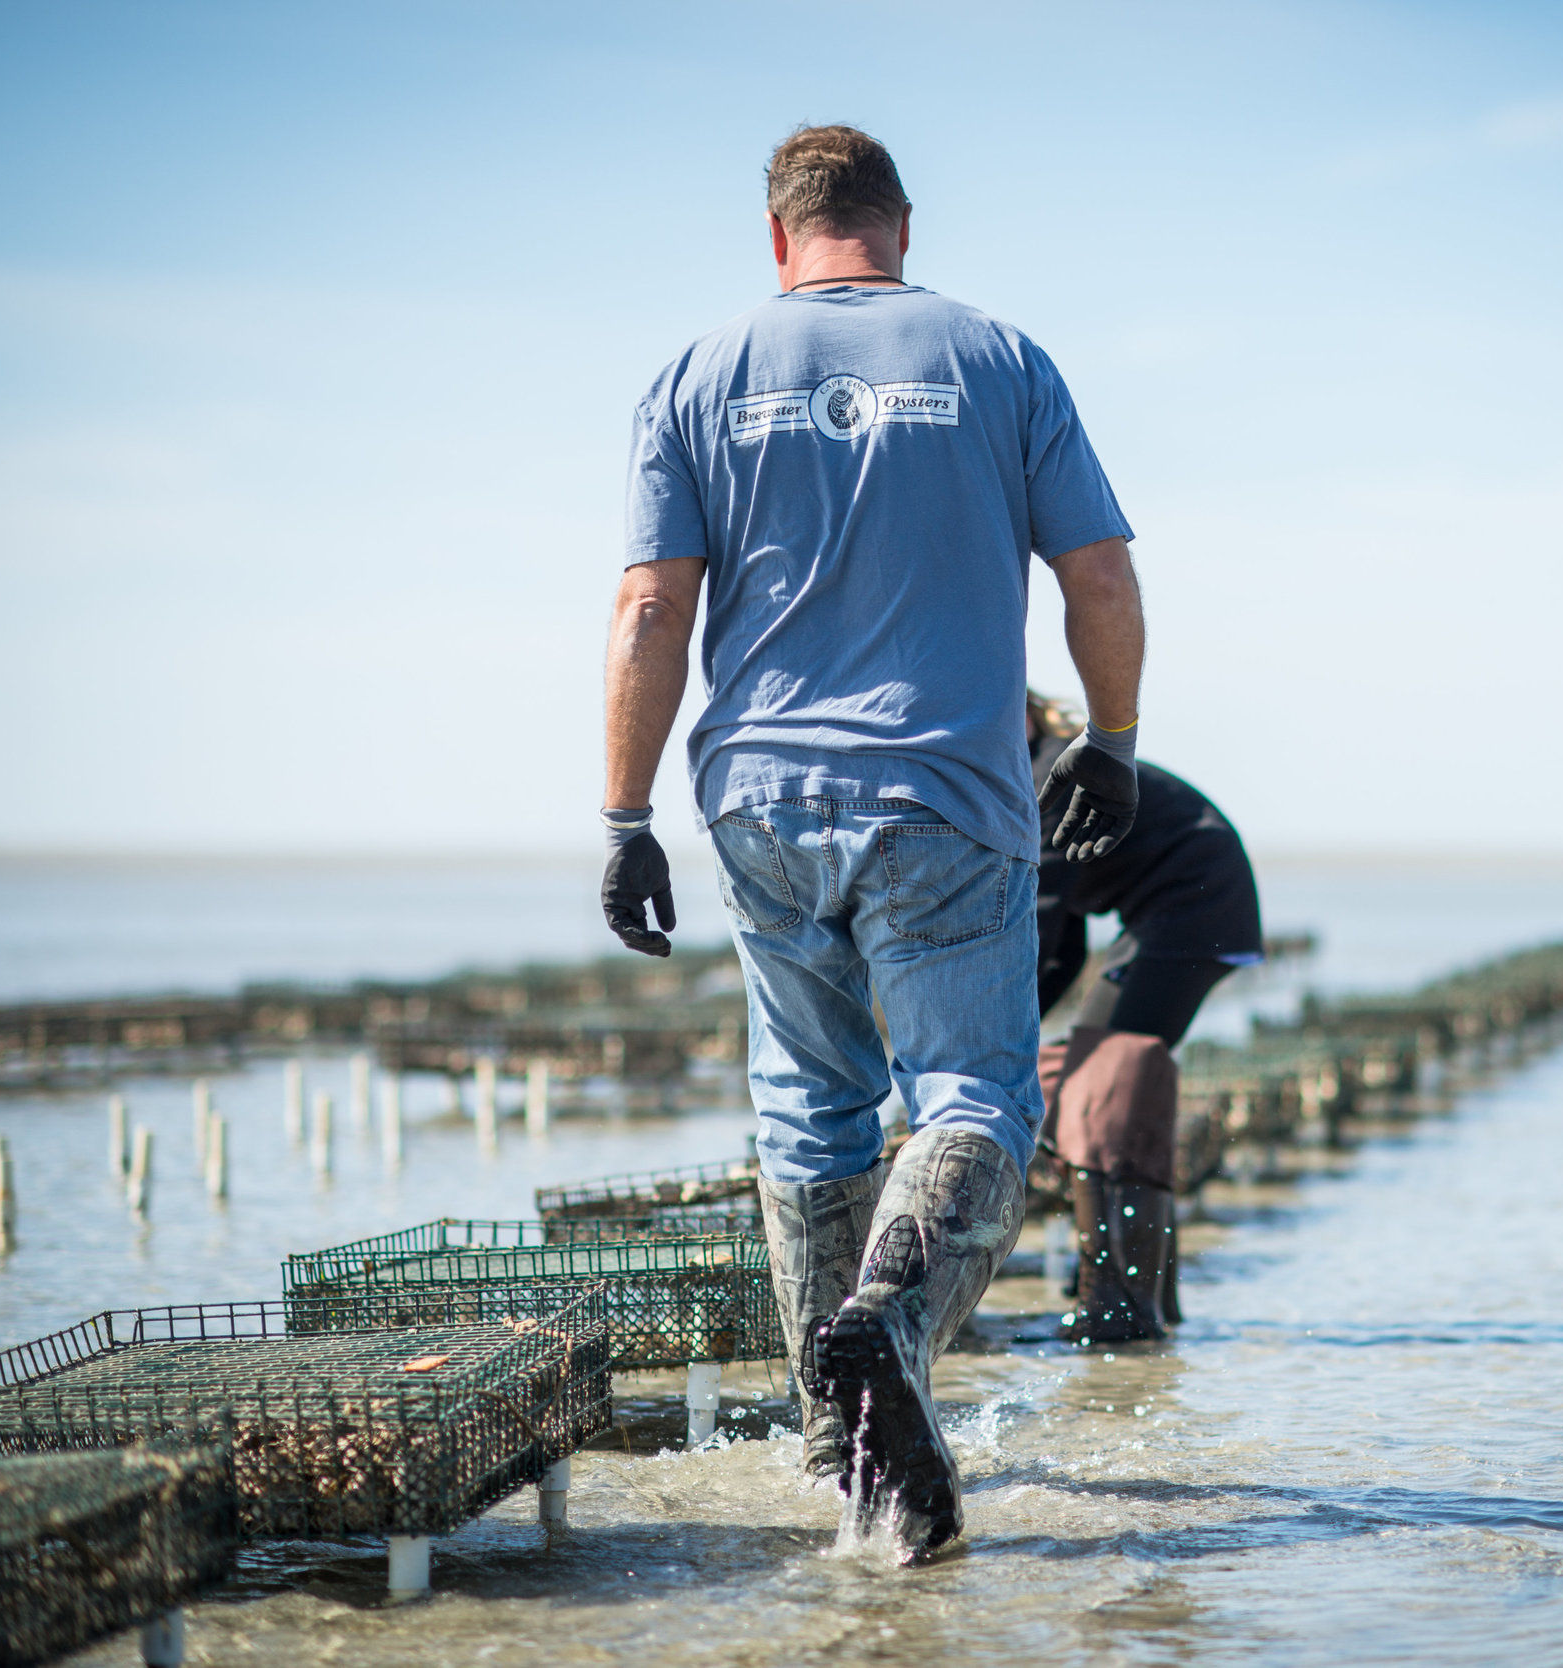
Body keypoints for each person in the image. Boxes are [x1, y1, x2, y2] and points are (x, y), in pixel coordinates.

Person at [595, 125, 1146, 1559]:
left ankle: (843, 1483)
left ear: (779, 238)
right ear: (900, 227)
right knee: (973, 1101)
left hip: (759, 805)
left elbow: (651, 612)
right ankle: (885, 1338)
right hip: (944, 795)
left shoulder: (696, 374)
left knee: (809, 1120)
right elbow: (1100, 574)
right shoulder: (999, 358)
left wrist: (623, 817)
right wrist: (1116, 744)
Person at [1028, 691, 1263, 1343]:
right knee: (1098, 1086)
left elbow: (1040, 923)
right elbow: (1066, 947)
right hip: (1178, 914)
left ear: (1016, 714)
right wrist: (1017, 1030)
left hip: (1194, 912)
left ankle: (1117, 1301)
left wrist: (993, 1035)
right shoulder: (1051, 766)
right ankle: (1149, 1299)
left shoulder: (1047, 775)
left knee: (1098, 1091)